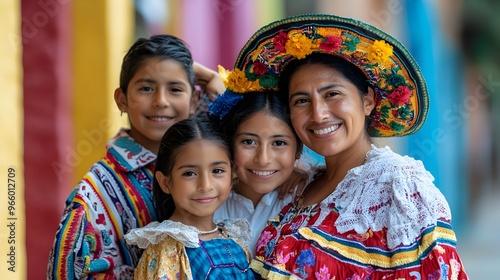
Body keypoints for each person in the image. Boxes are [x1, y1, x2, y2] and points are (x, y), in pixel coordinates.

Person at [218, 14, 469, 279]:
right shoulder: (299, 185)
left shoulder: (400, 186)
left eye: (332, 94)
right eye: (301, 100)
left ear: (368, 100)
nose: (318, 114)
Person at [47, 34, 224, 279]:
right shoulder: (95, 195)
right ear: (122, 99)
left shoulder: (210, 152)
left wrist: (213, 78)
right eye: (146, 88)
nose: (161, 101)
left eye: (175, 89)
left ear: (194, 100)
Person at [124, 118, 255, 279]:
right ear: (165, 182)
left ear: (231, 176)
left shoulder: (234, 238)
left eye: (218, 170)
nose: (206, 185)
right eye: (190, 173)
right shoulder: (166, 251)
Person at [209, 91, 309, 253]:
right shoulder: (209, 202)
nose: (263, 159)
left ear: (297, 150)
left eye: (278, 143)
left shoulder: (308, 198)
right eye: (249, 142)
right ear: (229, 145)